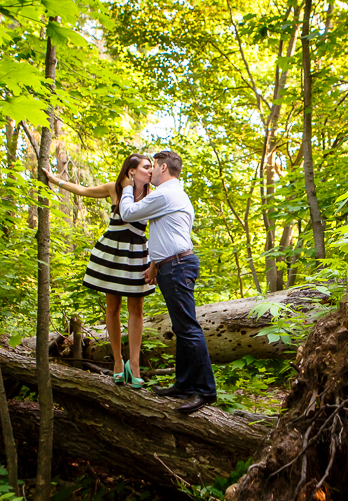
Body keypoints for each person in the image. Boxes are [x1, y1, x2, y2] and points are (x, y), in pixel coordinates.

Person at [42, 154, 154, 390]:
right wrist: (54, 180)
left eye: (153, 167)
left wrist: (154, 262)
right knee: (112, 308)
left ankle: (134, 365)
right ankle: (117, 361)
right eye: (146, 167)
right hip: (112, 253)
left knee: (137, 310)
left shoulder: (153, 196)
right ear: (132, 171)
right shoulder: (114, 190)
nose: (151, 170)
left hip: (137, 255)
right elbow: (82, 190)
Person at [118, 150, 217, 414]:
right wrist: (154, 265)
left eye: (154, 167)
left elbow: (128, 213)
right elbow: (166, 232)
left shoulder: (165, 193)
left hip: (177, 265)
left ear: (163, 168)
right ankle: (184, 384)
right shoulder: (176, 194)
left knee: (188, 328)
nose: (150, 172)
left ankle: (205, 391)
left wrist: (127, 187)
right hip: (173, 264)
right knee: (182, 326)